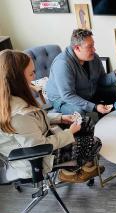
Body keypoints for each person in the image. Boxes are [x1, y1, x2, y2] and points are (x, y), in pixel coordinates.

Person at [0, 50, 102, 183]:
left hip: (41, 136)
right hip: (37, 158)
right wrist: (69, 133)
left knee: (86, 121)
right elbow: (40, 147)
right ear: (17, 79)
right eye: (31, 74)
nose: (34, 77)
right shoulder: (19, 115)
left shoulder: (15, 96)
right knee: (95, 143)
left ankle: (79, 167)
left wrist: (60, 118)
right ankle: (70, 172)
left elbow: (35, 119)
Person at [46, 28, 116, 115]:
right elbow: (68, 95)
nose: (94, 50)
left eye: (93, 45)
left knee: (113, 90)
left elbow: (102, 80)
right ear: (77, 48)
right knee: (79, 111)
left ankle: (108, 117)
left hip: (87, 90)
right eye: (90, 47)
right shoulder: (62, 64)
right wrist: (94, 107)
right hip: (62, 99)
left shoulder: (94, 58)